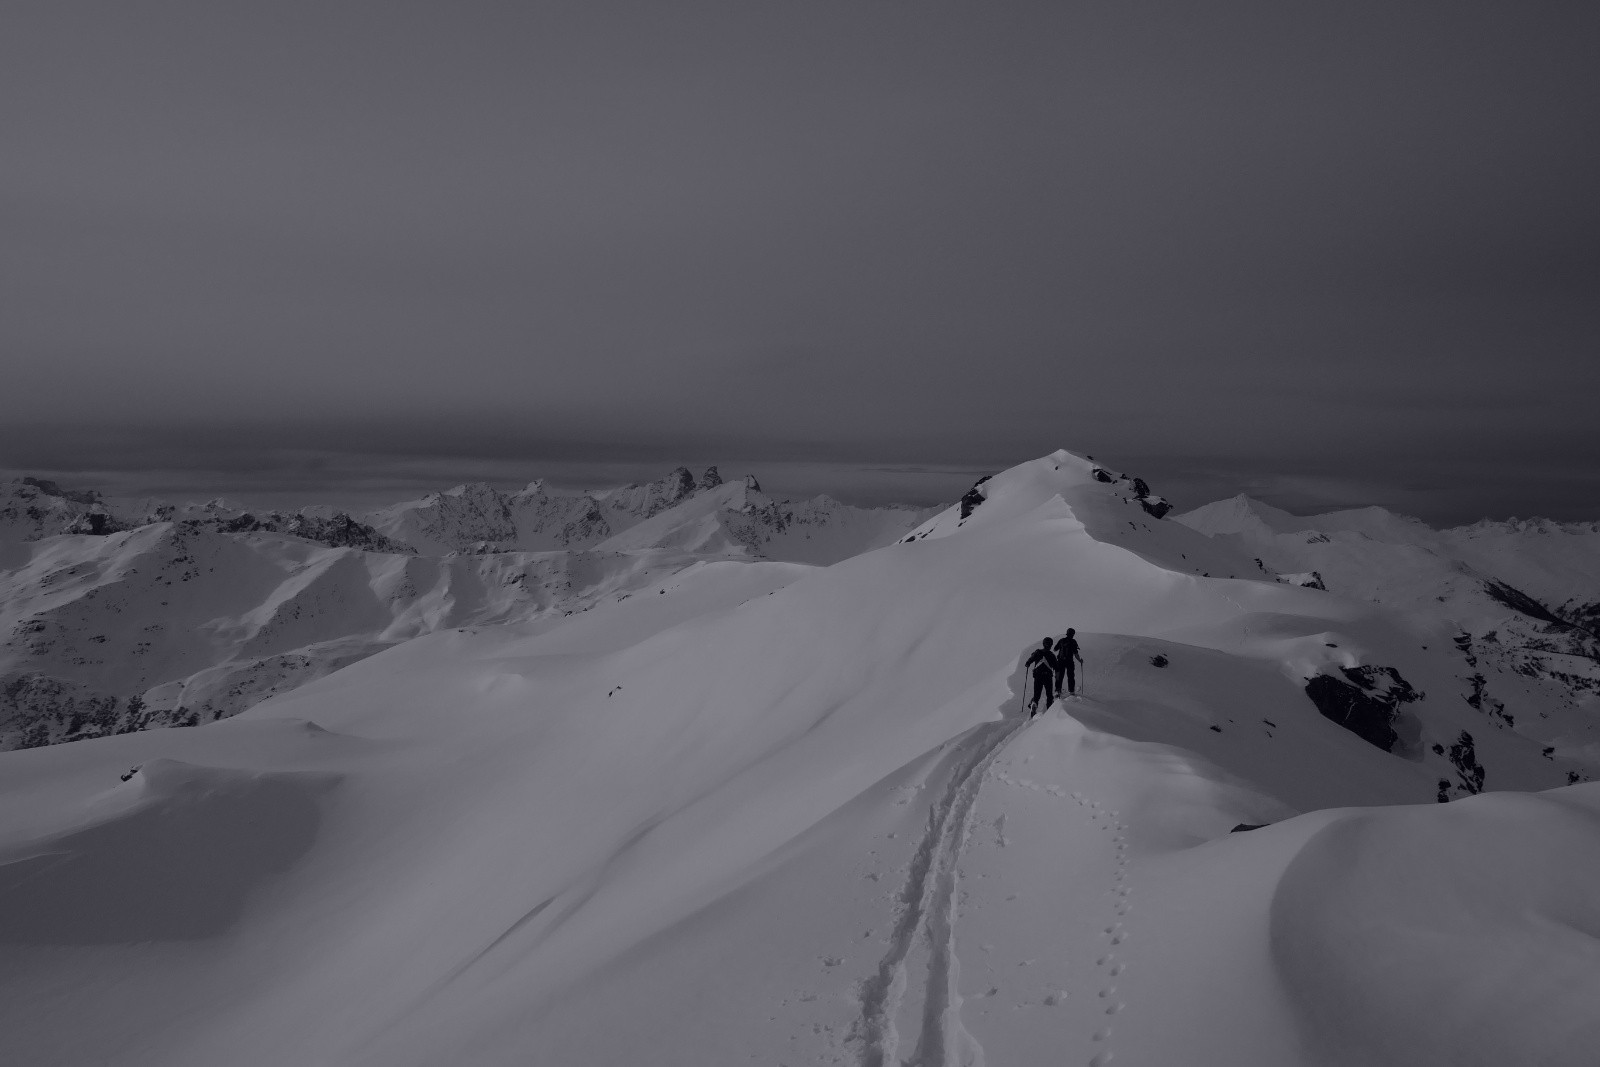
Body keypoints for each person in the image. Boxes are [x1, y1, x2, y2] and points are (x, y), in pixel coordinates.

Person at [1025, 637, 1058, 715]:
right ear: (1051, 645)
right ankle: (1049, 712)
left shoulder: (1037, 652)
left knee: (1037, 695)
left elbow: (1030, 660)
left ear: (1043, 644)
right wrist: (1058, 679)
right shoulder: (1052, 655)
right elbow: (1057, 668)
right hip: (1048, 677)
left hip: (1038, 676)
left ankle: (1034, 704)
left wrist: (1028, 663)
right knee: (1049, 695)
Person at [1055, 628, 1084, 696]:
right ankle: (1071, 691)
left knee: (1059, 676)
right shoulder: (1073, 641)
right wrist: (1080, 660)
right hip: (1069, 661)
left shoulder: (1061, 640)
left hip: (1060, 661)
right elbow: (1076, 653)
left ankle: (1058, 690)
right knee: (1070, 676)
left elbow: (1055, 649)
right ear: (1073, 634)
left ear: (1067, 633)